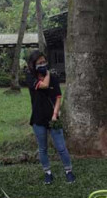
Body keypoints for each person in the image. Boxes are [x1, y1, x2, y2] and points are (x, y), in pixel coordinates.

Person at [25, 50, 76, 185]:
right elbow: (44, 86)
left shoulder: (54, 78)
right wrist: (47, 73)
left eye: (44, 62)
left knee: (61, 147)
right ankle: (47, 173)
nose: (42, 64)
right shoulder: (31, 78)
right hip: (38, 119)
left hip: (53, 119)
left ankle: (68, 171)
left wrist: (55, 114)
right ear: (33, 64)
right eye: (39, 63)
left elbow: (58, 97)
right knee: (43, 148)